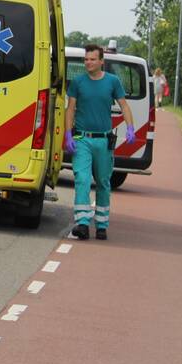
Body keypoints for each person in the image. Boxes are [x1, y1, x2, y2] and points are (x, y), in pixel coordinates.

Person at [65, 43, 135, 241]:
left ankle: (102, 225)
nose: (88, 62)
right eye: (86, 59)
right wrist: (69, 134)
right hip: (81, 137)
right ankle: (83, 224)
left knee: (103, 182)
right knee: (82, 179)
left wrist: (130, 128)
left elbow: (124, 105)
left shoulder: (113, 82)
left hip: (103, 138)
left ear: (101, 61)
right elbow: (70, 109)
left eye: (92, 59)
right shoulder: (78, 82)